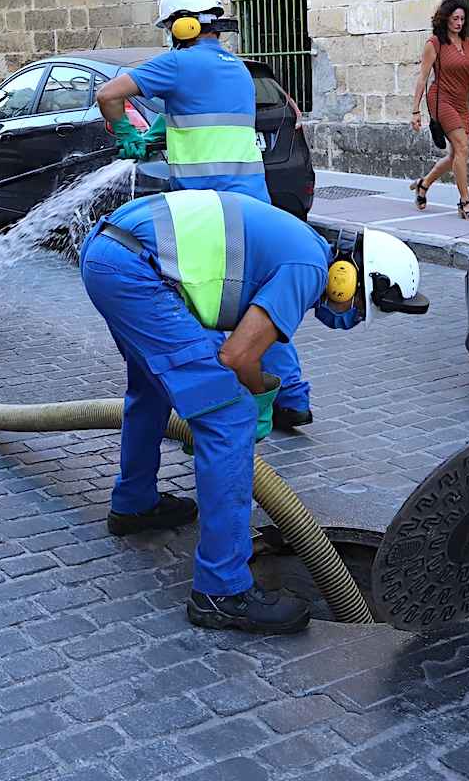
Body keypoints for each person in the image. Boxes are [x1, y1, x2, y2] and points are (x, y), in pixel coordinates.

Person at [79, 187, 426, 634]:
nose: (352, 318)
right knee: (229, 418)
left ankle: (135, 503)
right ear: (350, 280)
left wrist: (250, 381)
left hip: (110, 254)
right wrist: (257, 397)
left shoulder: (304, 248)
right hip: (133, 271)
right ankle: (221, 591)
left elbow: (245, 341)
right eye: (360, 309)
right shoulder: (309, 270)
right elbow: (237, 357)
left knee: (151, 387)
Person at [94, 0, 315, 432]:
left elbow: (108, 95)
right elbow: (197, 109)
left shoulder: (177, 64)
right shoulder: (235, 68)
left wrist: (126, 135)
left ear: (183, 25)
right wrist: (160, 129)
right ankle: (293, 397)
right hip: (253, 200)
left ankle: (227, 406)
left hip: (210, 212)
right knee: (264, 305)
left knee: (216, 302)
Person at [410, 0, 469, 220]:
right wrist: (415, 111)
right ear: (446, 19)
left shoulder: (468, 43)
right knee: (462, 146)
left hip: (461, 102)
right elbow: (423, 78)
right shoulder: (435, 44)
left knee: (455, 155)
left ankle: (424, 183)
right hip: (441, 99)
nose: (459, 22)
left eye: (462, 19)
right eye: (455, 18)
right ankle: (465, 203)